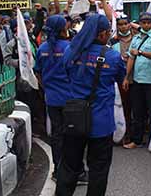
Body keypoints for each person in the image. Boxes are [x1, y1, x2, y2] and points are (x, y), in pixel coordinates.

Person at [56, 15, 126, 196]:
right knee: (98, 170)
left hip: (74, 120)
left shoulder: (71, 52)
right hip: (101, 123)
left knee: (68, 168)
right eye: (109, 32)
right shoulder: (112, 56)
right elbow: (122, 80)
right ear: (102, 34)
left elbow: (65, 73)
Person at [35, 15, 72, 181]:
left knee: (57, 135)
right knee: (71, 135)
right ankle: (72, 171)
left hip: (51, 98)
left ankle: (58, 170)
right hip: (70, 99)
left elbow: (38, 73)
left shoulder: (42, 48)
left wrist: (47, 88)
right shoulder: (69, 48)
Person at [122, 12, 151, 149]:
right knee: (138, 111)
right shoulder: (136, 38)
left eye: (148, 22)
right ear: (140, 23)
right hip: (138, 80)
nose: (145, 25)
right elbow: (130, 58)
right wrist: (127, 77)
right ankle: (137, 140)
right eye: (143, 22)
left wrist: (140, 53)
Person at [110, 15, 134, 144]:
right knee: (121, 107)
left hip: (134, 78)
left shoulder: (136, 39)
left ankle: (130, 132)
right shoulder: (113, 41)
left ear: (129, 24)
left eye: (126, 24)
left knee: (132, 107)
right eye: (120, 24)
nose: (123, 26)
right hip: (118, 78)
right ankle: (120, 132)